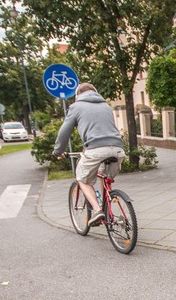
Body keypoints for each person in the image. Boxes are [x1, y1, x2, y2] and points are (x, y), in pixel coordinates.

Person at [52, 83, 126, 225]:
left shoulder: (76, 107)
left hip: (94, 149)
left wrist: (58, 151)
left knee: (82, 179)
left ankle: (98, 210)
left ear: (77, 95)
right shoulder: (106, 106)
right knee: (105, 176)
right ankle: (107, 209)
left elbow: (64, 132)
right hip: (118, 149)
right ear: (95, 92)